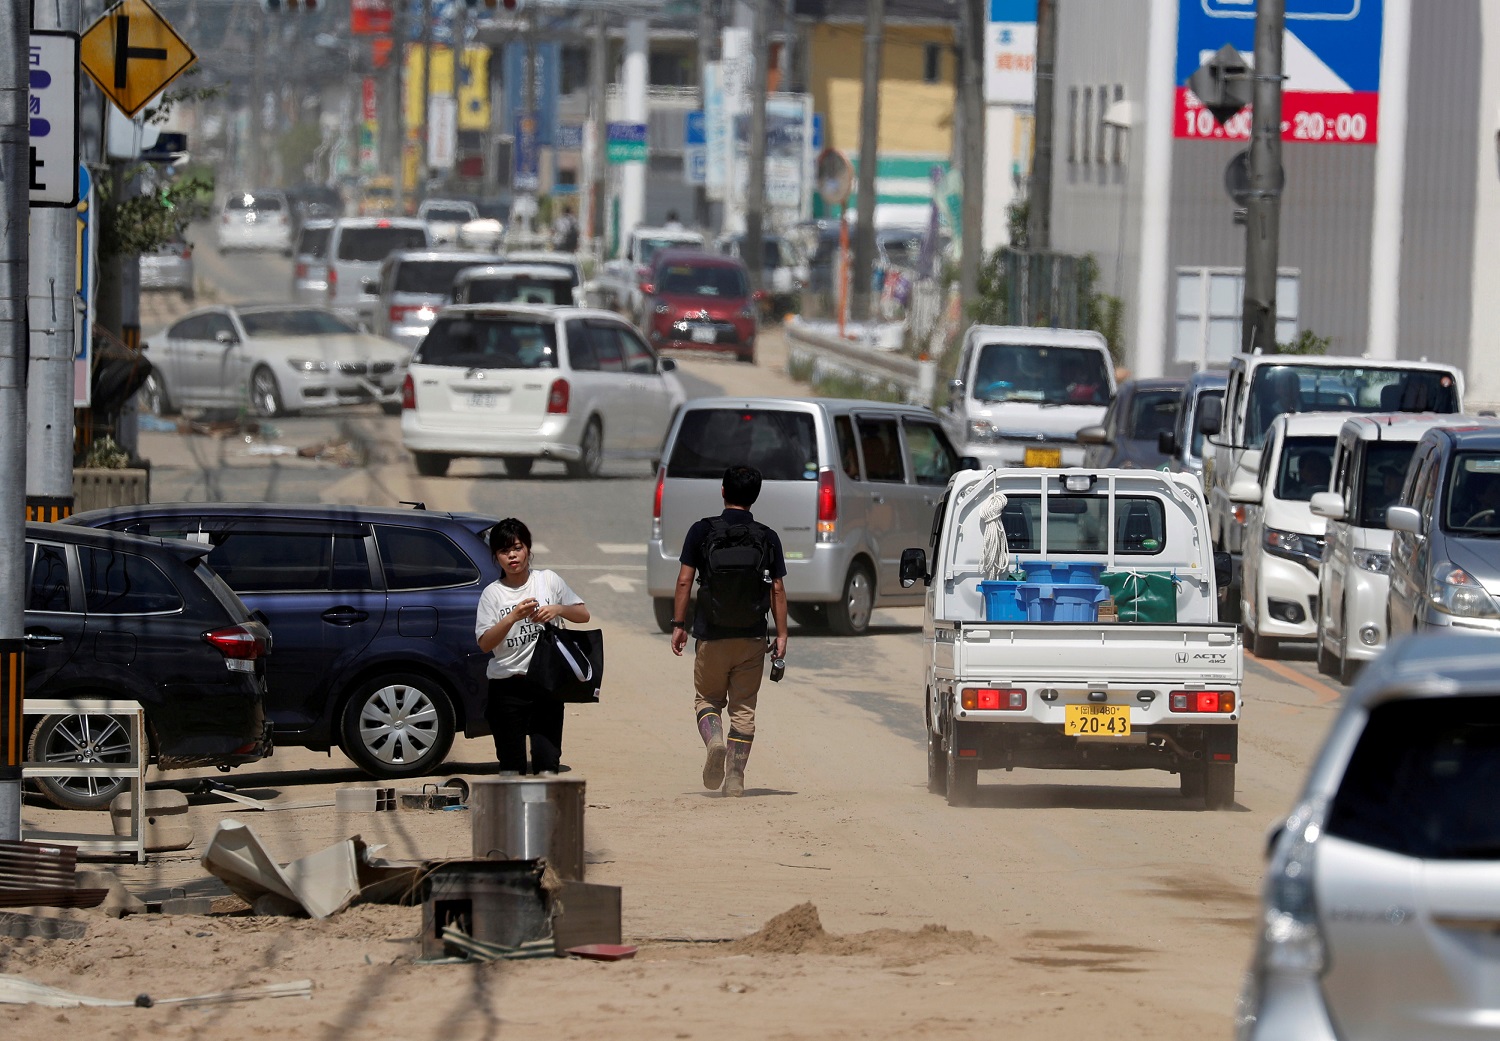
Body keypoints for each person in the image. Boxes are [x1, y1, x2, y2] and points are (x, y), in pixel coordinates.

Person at [670, 465, 789, 797]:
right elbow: (777, 589)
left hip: (711, 634)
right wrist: (781, 634)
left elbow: (684, 580)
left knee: (707, 699)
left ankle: (714, 742)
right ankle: (735, 778)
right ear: (756, 495)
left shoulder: (701, 531)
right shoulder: (767, 536)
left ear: (723, 491)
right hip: (751, 636)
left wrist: (679, 625)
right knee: (744, 708)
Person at [475, 519, 590, 774]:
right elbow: (485, 644)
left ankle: (545, 813)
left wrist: (557, 609)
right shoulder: (492, 594)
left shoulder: (547, 580)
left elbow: (583, 615)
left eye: (517, 547)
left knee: (547, 763)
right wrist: (512, 617)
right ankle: (514, 813)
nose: (512, 555)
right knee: (511, 768)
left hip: (546, 685)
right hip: (506, 688)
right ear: (496, 556)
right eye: (504, 551)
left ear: (527, 548)